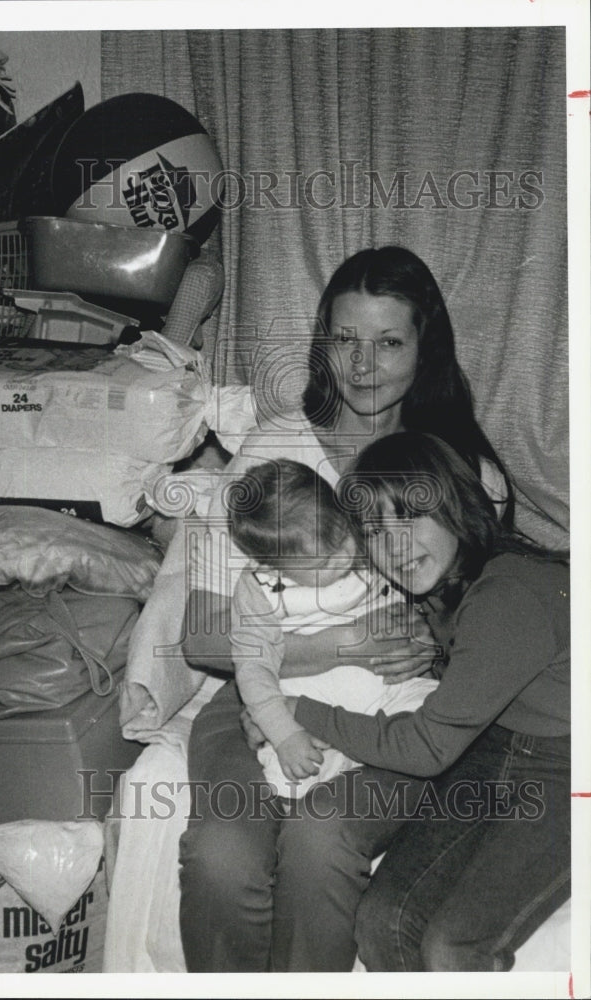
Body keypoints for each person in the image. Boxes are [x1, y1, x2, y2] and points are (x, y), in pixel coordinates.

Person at [178, 245, 514, 972]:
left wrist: (418, 649)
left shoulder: (464, 471)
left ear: (426, 351)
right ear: (320, 344)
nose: (362, 365)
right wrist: (337, 647)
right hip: (260, 694)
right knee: (219, 856)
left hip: (397, 710)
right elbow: (201, 637)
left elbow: (489, 639)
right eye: (344, 339)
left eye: (388, 342)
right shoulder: (274, 452)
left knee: (319, 838)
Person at [275, 430, 569, 972]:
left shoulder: (509, 594)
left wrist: (296, 713)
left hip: (569, 767)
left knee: (451, 946)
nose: (396, 548)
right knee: (383, 920)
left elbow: (424, 748)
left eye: (409, 517)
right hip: (496, 748)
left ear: (455, 505)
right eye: (375, 532)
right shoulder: (443, 589)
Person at [226, 458, 438, 798]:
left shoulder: (366, 539)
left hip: (393, 690)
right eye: (324, 562)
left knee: (434, 725)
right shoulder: (259, 590)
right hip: (314, 708)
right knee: (288, 778)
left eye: (342, 538)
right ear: (275, 566)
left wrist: (418, 627)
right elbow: (252, 669)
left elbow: (416, 596)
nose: (344, 556)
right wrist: (284, 734)